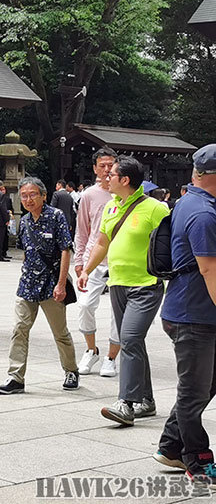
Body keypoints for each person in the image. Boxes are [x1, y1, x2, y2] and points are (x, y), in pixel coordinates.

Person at [77, 155, 171, 426]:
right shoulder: (111, 208)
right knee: (134, 343)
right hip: (117, 283)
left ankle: (126, 403)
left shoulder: (156, 209)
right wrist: (85, 269)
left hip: (146, 285)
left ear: (125, 180)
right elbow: (102, 244)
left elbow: (173, 245)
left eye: (112, 174)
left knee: (128, 339)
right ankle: (147, 401)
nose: (106, 177)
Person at [155, 144, 216, 482]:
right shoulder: (204, 213)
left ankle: (169, 445)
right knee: (194, 393)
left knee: (205, 386)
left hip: (193, 311)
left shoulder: (190, 202)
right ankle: (198, 460)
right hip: (194, 316)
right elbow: (209, 271)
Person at [0, 177, 80, 394]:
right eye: (24, 195)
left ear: (43, 195)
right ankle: (15, 377)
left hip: (51, 284)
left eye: (33, 194)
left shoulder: (56, 216)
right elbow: (27, 251)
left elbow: (65, 250)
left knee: (60, 332)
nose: (28, 199)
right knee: (19, 329)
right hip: (27, 285)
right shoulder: (24, 221)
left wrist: (61, 284)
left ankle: (71, 370)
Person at [73, 147, 121, 378]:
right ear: (94, 168)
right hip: (95, 258)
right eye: (101, 166)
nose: (106, 170)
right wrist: (79, 259)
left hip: (121, 258)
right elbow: (82, 230)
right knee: (85, 305)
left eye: (110, 165)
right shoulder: (89, 195)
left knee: (118, 311)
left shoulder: (124, 192)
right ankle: (91, 349)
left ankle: (112, 356)